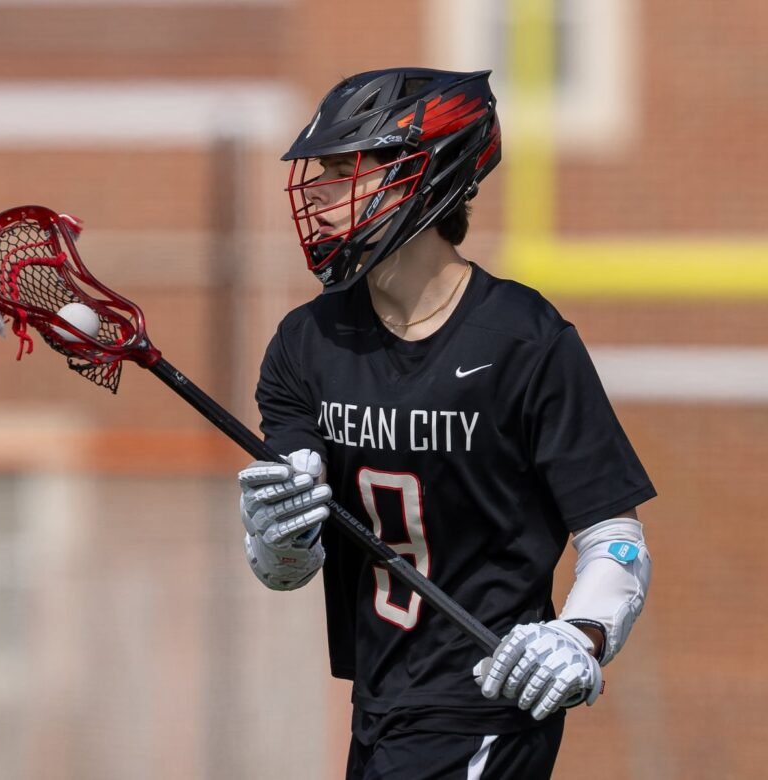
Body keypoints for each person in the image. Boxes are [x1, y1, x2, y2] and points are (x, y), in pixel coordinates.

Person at [237, 67, 655, 779]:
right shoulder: (305, 345)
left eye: (347, 170)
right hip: (378, 710)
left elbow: (615, 538)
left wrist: (581, 636)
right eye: (320, 172)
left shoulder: (525, 341)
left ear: (425, 179)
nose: (320, 194)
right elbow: (288, 570)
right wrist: (276, 535)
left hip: (489, 708)